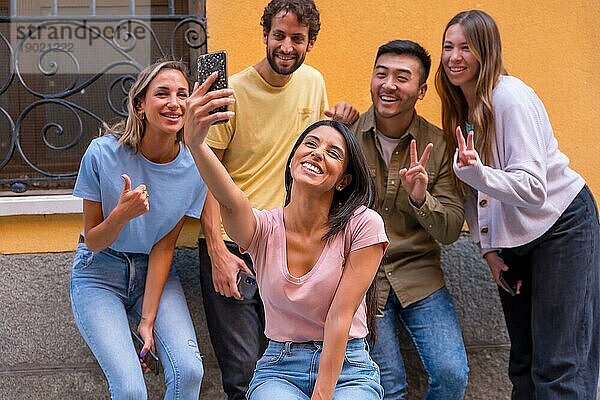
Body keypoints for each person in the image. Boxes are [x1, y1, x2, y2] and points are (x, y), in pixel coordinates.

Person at [186, 69, 387, 397]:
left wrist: (322, 394)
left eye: (333, 153)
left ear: (343, 181)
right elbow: (231, 200)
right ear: (294, 158)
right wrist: (195, 143)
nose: (318, 153)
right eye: (310, 144)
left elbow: (339, 317)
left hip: (348, 367)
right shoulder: (264, 229)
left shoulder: (363, 225)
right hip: (281, 367)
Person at [436, 10, 600, 399]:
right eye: (448, 47)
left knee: (560, 365)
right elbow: (476, 194)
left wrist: (477, 175)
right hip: (519, 241)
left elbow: (532, 188)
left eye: (465, 47)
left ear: (486, 52)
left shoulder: (510, 98)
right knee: (523, 364)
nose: (454, 57)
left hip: (562, 227)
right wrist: (488, 249)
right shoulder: (464, 105)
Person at [197, 1, 357, 398]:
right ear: (265, 35)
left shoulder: (314, 82)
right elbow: (205, 180)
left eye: (297, 39)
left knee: (289, 365)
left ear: (311, 42)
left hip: (288, 245)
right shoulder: (230, 91)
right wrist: (216, 250)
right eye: (279, 36)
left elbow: (314, 162)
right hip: (236, 242)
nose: (287, 46)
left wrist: (341, 126)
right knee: (243, 376)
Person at [70, 60, 207, 399]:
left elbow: (164, 246)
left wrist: (147, 320)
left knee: (190, 372)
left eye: (182, 94)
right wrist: (121, 214)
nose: (174, 103)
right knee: (131, 390)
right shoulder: (102, 153)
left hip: (153, 271)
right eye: (162, 94)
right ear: (140, 105)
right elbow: (95, 241)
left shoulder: (195, 166)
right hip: (99, 273)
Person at [351, 40, 468, 399]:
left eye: (402, 77)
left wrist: (421, 198)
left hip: (420, 277)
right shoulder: (346, 136)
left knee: (451, 375)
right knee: (388, 387)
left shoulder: (440, 145)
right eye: (381, 73)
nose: (388, 85)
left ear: (420, 91)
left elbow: (450, 229)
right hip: (363, 279)